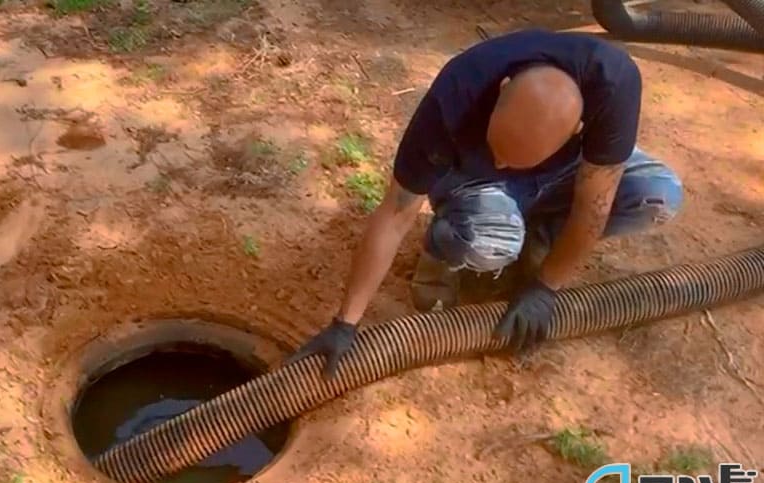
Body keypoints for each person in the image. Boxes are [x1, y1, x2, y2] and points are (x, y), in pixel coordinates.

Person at [286, 28, 684, 380]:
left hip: (571, 172)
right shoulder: (457, 94)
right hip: (475, 182)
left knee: (657, 196)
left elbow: (594, 205)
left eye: (514, 160)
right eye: (497, 149)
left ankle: (539, 239)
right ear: (501, 90)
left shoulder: (614, 84)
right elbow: (395, 212)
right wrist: (346, 323)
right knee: (488, 243)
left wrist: (547, 287)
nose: (502, 164)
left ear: (576, 130)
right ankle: (445, 248)